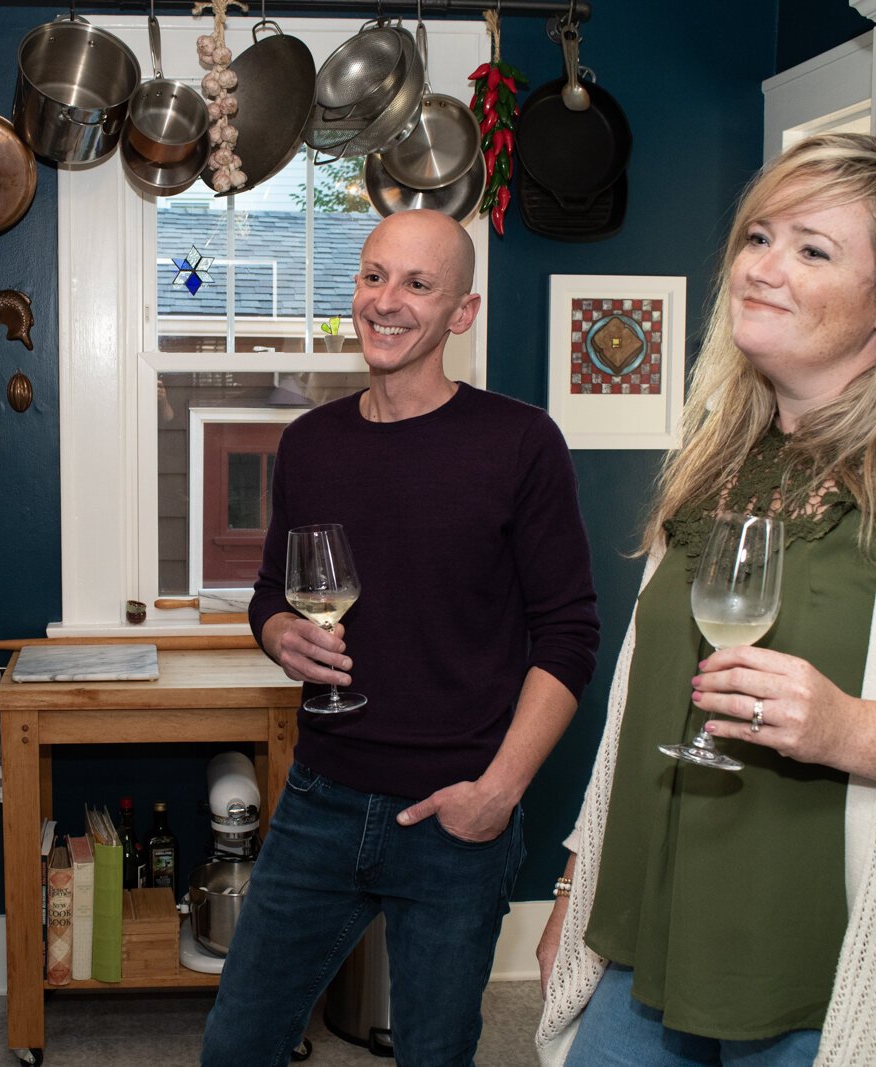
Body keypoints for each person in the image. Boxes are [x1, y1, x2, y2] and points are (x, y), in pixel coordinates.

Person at [536, 133, 876, 1066]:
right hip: (640, 952)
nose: (762, 267)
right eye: (759, 237)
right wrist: (572, 893)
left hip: (824, 982)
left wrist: (848, 730)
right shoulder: (715, 455)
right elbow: (641, 712)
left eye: (812, 249)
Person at [202, 209, 601, 1066]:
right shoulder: (310, 442)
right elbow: (271, 590)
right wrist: (279, 634)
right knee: (235, 1047)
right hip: (320, 800)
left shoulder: (521, 444)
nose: (387, 300)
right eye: (374, 276)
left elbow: (568, 636)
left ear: (462, 311)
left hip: (455, 823)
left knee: (434, 1055)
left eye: (418, 284)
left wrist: (496, 793)